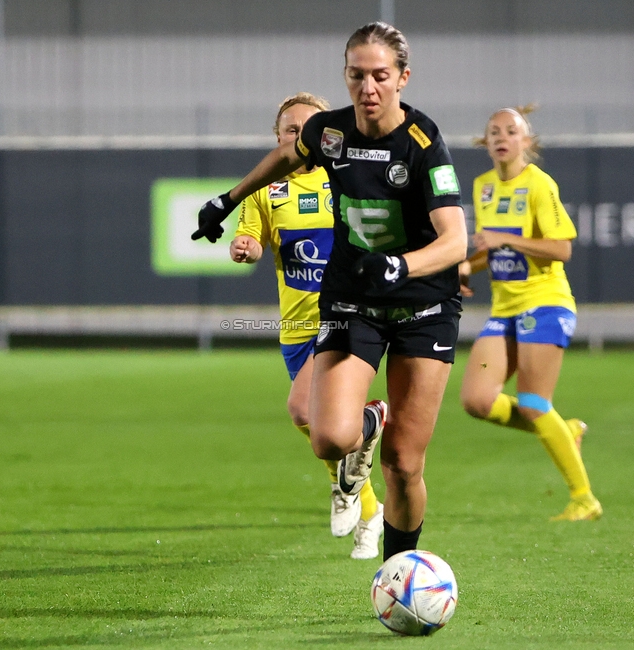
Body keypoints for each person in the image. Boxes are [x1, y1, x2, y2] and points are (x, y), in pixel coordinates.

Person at [194, 22, 468, 560]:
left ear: (403, 79)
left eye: (380, 76)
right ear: (345, 77)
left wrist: (402, 265)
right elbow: (287, 155)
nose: (368, 87)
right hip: (353, 300)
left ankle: (395, 571)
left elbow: (456, 239)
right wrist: (228, 200)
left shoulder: (422, 144)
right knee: (327, 438)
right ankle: (372, 418)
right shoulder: (329, 132)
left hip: (423, 306)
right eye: (356, 75)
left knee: (403, 465)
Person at [229, 92, 384, 559]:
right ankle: (368, 503)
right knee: (323, 430)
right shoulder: (264, 190)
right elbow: (251, 239)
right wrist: (245, 247)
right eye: (291, 130)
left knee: (302, 410)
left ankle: (353, 487)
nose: (300, 136)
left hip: (344, 317)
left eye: (308, 128)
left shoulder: (343, 178)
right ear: (277, 138)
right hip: (296, 330)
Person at [457, 106, 602, 521]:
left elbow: (562, 248)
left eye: (511, 131)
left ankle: (583, 498)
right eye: (494, 131)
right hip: (505, 307)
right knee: (476, 400)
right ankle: (563, 429)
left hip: (546, 302)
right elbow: (496, 247)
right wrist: (469, 264)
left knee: (535, 401)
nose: (502, 137)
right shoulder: (483, 186)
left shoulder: (539, 184)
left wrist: (502, 237)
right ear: (486, 143)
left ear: (526, 141)